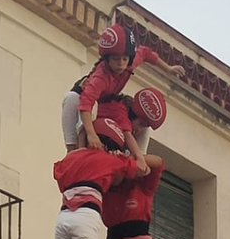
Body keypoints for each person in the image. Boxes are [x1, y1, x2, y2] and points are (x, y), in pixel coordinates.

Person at [61, 23, 184, 158]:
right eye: (115, 59)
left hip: (104, 104)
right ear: (107, 59)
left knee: (143, 126)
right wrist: (91, 135)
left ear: (129, 58)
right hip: (86, 102)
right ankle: (74, 150)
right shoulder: (101, 77)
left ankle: (136, 156)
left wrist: (168, 68)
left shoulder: (129, 65)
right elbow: (86, 104)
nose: (120, 64)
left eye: (124, 59)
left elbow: (145, 53)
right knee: (73, 99)